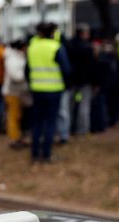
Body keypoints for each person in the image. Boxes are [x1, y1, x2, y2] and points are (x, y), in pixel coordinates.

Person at [27, 22, 71, 163]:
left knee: (37, 122)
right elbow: (66, 70)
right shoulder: (56, 47)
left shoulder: (32, 47)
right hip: (54, 90)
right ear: (53, 32)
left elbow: (27, 70)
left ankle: (34, 153)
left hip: (36, 89)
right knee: (50, 122)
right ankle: (46, 153)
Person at [3, 40, 30, 149]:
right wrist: (27, 76)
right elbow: (16, 76)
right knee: (14, 116)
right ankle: (14, 138)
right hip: (13, 92)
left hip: (18, 91)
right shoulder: (13, 59)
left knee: (18, 116)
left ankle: (18, 137)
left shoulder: (16, 57)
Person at [69, 24, 95, 136]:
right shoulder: (88, 48)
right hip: (84, 81)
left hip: (73, 81)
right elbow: (92, 66)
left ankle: (70, 127)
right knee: (83, 106)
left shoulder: (70, 46)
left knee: (72, 104)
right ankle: (83, 129)